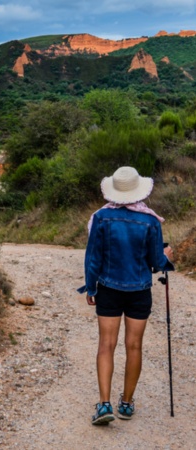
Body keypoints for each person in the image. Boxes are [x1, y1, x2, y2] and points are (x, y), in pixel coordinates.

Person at [77, 166, 174, 426]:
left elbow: (93, 258)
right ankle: (127, 404)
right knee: (134, 347)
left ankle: (104, 404)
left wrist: (91, 287)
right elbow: (156, 262)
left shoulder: (101, 218)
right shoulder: (151, 221)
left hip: (108, 289)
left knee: (106, 345)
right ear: (138, 190)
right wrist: (167, 257)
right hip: (139, 292)